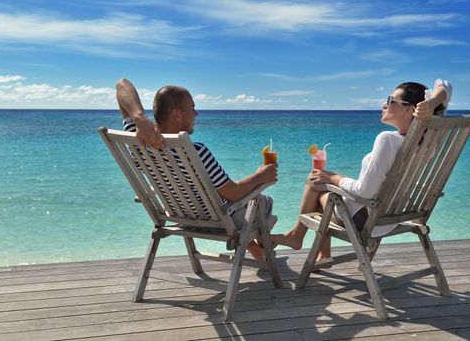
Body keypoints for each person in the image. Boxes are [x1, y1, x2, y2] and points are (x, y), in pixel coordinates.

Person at [271, 79, 452, 261]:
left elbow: (365, 191)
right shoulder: (428, 142)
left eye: (391, 100)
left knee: (315, 183)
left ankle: (299, 239)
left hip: (367, 220)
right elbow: (445, 86)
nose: (384, 104)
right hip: (394, 216)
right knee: (322, 183)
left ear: (409, 109)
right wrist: (432, 102)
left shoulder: (387, 140)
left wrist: (333, 177)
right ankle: (317, 251)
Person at [116, 78, 277, 260]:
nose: (197, 113)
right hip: (217, 221)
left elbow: (121, 85)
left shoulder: (138, 143)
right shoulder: (195, 151)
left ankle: (256, 250)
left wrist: (139, 118)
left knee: (224, 198)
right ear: (177, 115)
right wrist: (261, 176)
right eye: (192, 108)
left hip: (179, 215)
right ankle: (264, 246)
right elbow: (232, 193)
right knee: (263, 200)